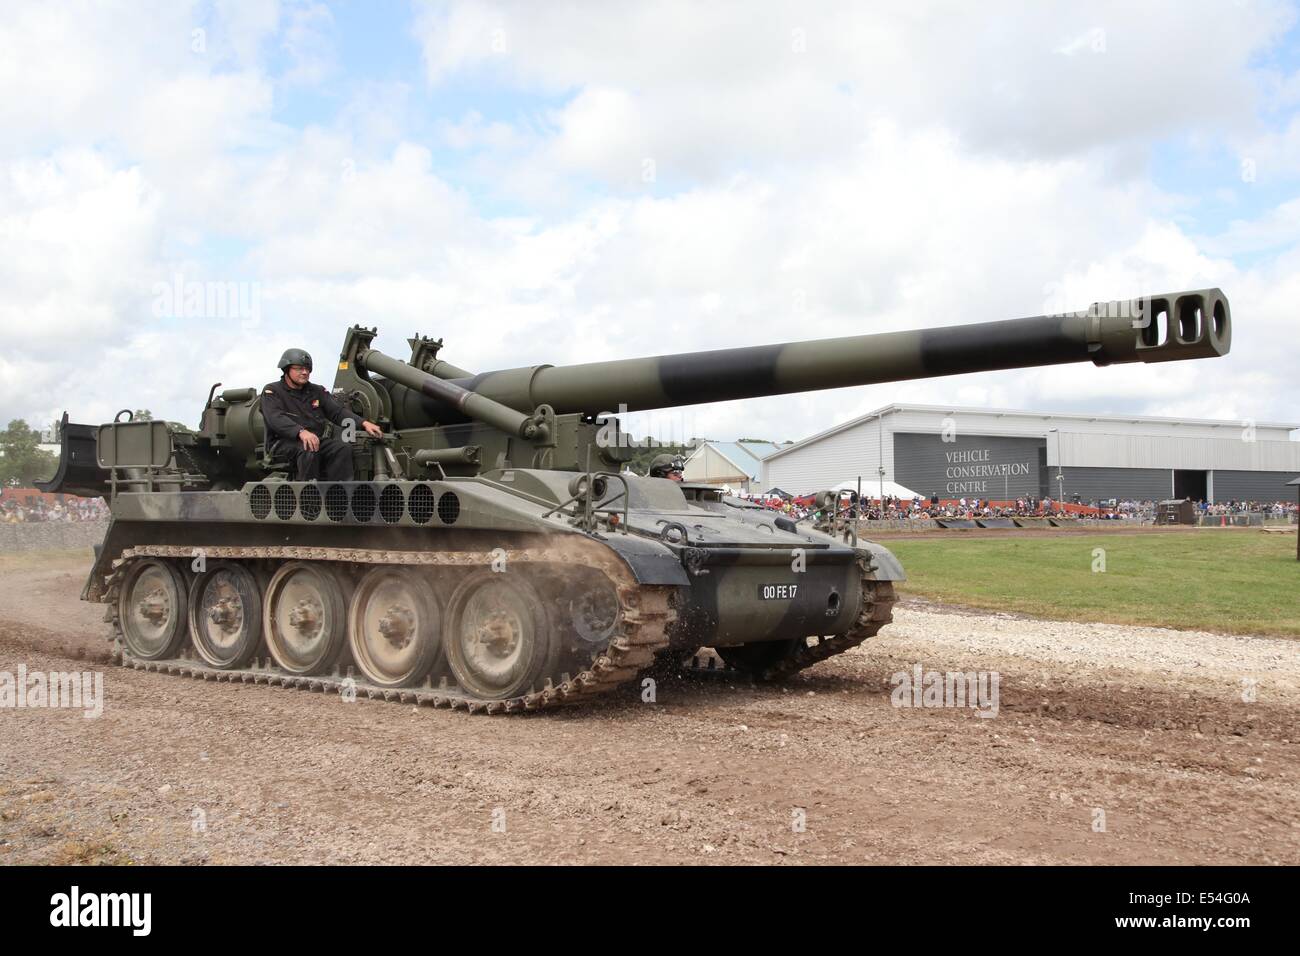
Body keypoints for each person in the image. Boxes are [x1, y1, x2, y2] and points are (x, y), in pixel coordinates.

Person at [261, 348, 383, 481]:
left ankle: (340, 496)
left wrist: (363, 423)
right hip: (282, 444)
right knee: (309, 448)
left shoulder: (317, 391)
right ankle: (309, 498)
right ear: (286, 369)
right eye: (299, 369)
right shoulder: (272, 391)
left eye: (307, 369)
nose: (304, 372)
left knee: (342, 448)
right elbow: (275, 418)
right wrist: (300, 432)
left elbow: (337, 412)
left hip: (315, 440)